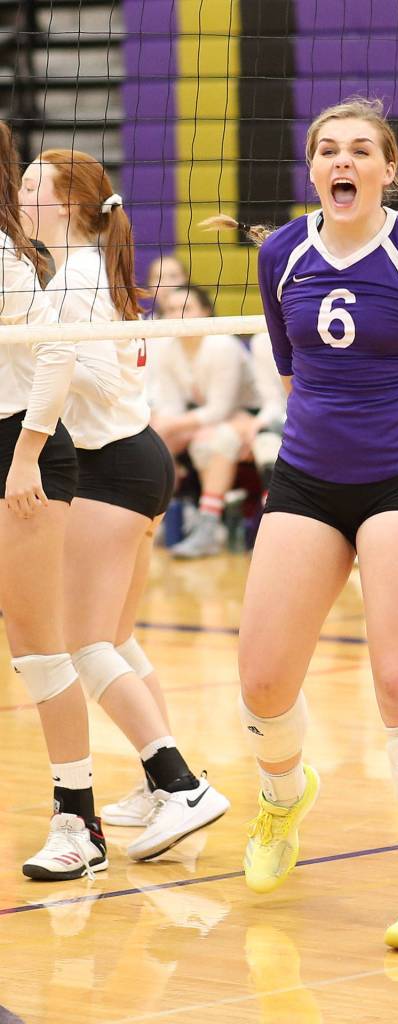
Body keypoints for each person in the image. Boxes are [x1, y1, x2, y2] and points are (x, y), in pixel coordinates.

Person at [227, 97, 398, 951]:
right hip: (308, 476)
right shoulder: (282, 255)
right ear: (312, 169)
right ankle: (283, 795)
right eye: (328, 149)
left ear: (387, 169)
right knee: (262, 681)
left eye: (361, 150)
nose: (343, 161)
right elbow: (290, 368)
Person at [19, 149, 229, 861]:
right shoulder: (90, 270)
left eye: (31, 186)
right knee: (117, 637)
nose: (19, 195)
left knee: (85, 644)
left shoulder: (74, 279)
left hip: (110, 467)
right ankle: (156, 784)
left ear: (68, 204)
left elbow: (91, 376)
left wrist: (37, 380)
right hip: (137, 458)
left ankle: (181, 785)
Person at [0, 120, 107, 881]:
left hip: (20, 450)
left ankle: (79, 821)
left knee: (39, 649)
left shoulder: (2, 257)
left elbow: (59, 352)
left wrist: (24, 459)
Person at [150, 285, 273, 558]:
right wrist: (162, 424)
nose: (178, 315)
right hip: (206, 416)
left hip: (250, 413)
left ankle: (208, 525)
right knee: (154, 439)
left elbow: (221, 408)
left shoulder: (221, 344)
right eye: (171, 309)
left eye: (186, 308)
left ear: (206, 311)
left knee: (209, 441)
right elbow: (171, 404)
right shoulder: (167, 347)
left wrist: (172, 425)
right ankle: (159, 516)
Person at [145, 252, 189, 317]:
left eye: (173, 276)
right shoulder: (146, 320)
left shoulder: (202, 318)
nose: (166, 285)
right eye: (158, 278)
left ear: (187, 280)